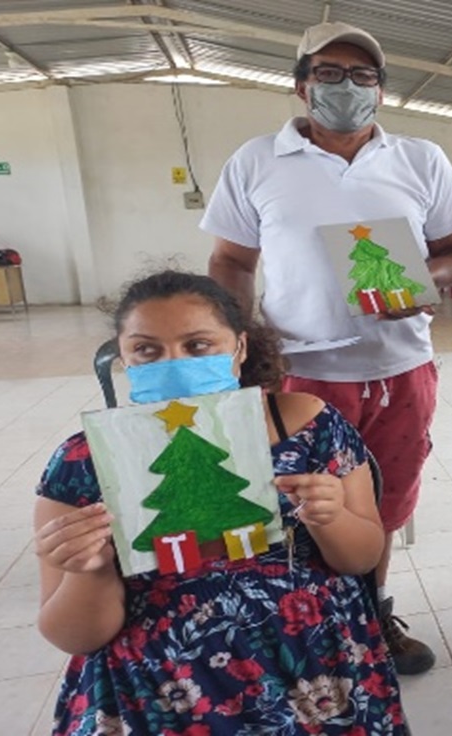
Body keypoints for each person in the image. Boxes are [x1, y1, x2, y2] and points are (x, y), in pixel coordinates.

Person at [202, 21, 452, 674]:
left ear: (380, 91)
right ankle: (298, 625)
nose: (346, 86)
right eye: (328, 73)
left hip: (399, 367)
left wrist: (421, 282)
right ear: (301, 86)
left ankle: (370, 615)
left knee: (385, 500)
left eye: (362, 76)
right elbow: (230, 261)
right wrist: (238, 344)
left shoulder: (421, 159)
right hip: (300, 371)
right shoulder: (256, 161)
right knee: (297, 503)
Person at [33, 271, 406, 735]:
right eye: (147, 350)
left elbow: (362, 558)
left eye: (198, 345)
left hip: (313, 664)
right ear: (123, 357)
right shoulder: (86, 462)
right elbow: (73, 636)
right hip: (161, 687)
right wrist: (89, 570)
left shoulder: (309, 425)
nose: (173, 364)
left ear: (240, 348)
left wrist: (331, 518)